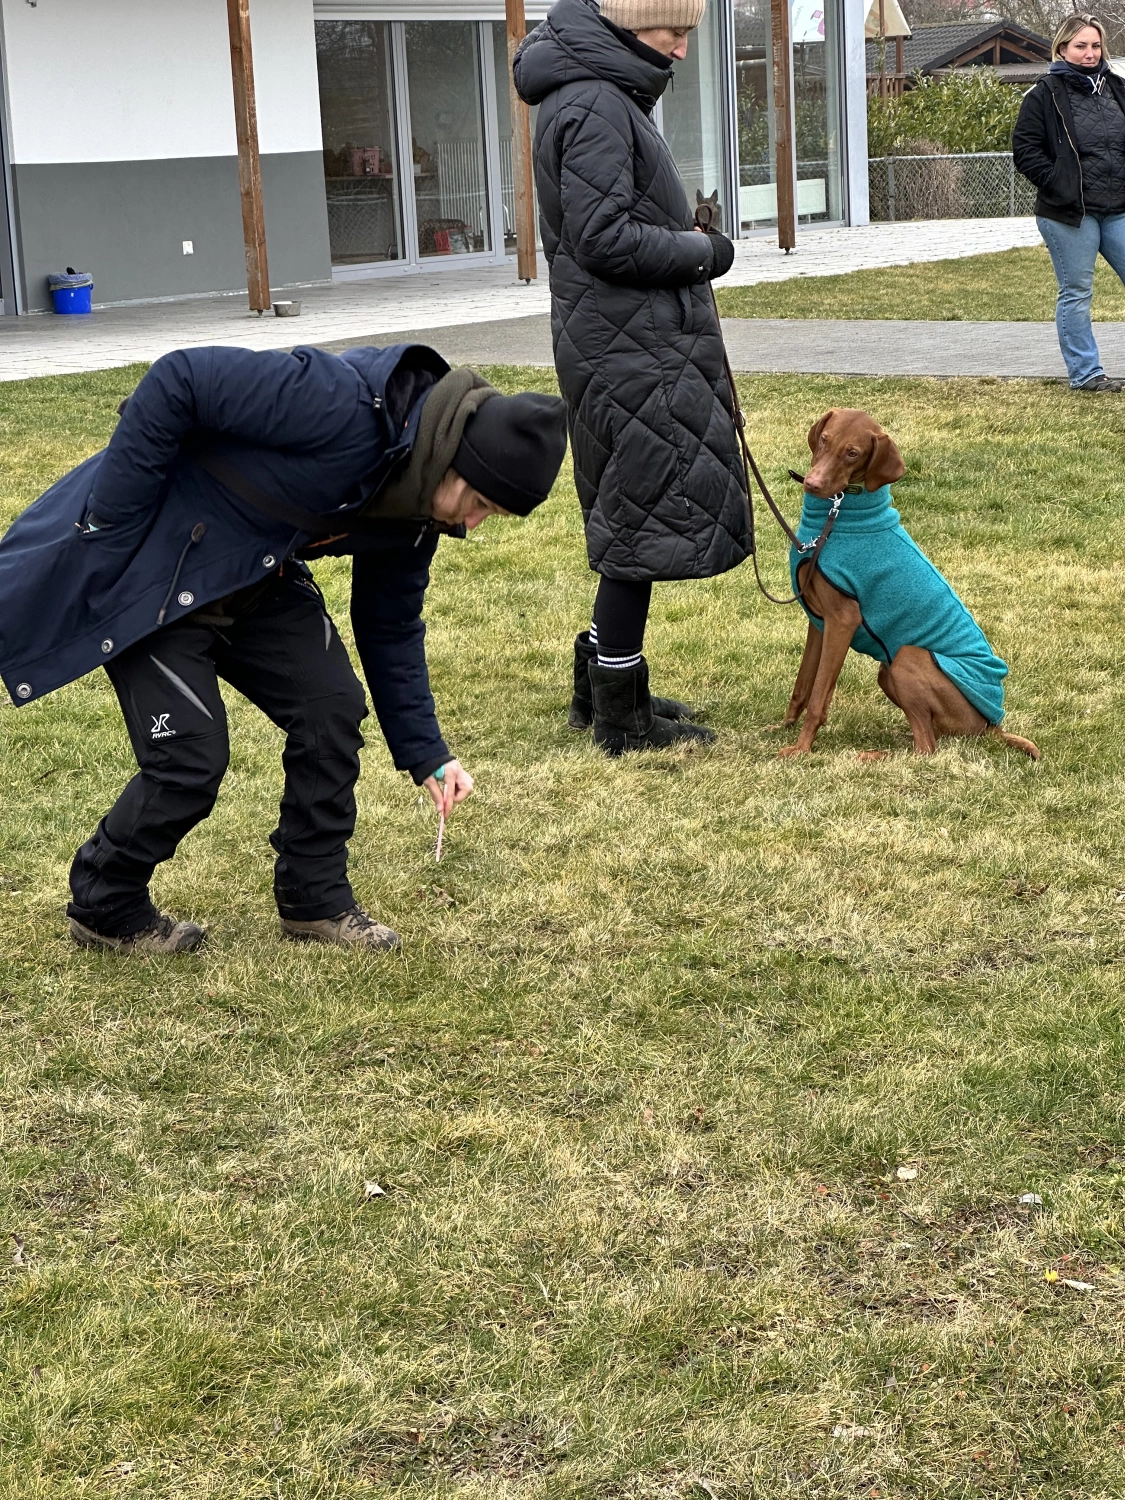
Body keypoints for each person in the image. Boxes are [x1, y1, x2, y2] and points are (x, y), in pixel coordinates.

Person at [0, 345, 567, 954]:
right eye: (480, 502)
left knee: (331, 709)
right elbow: (177, 381)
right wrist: (112, 521)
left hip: (255, 574)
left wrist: (426, 751)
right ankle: (105, 899)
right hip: (156, 573)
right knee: (190, 759)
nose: (471, 525)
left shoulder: (419, 506)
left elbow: (391, 624)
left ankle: (313, 899)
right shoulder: (339, 404)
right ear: (454, 455)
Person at [514, 0, 751, 757]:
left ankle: (606, 683)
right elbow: (601, 239)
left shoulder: (596, 90)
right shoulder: (595, 100)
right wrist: (702, 250)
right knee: (638, 517)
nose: (680, 51)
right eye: (669, 34)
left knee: (632, 509)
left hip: (621, 338)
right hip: (627, 344)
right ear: (624, 29)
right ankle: (619, 712)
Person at [1013, 13, 1125, 392]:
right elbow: (1025, 151)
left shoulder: (1117, 89)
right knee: (1076, 291)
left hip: (1118, 208)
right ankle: (1087, 374)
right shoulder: (1043, 94)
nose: (1090, 53)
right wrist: (1058, 184)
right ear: (1063, 48)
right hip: (1069, 214)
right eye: (1081, 46)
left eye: (1095, 45)